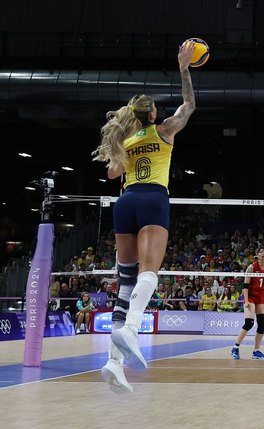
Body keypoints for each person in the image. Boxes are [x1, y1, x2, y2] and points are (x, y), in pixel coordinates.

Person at [92, 40, 196, 394]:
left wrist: (123, 145)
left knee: (124, 282)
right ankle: (132, 328)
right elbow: (189, 105)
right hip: (153, 198)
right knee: (148, 274)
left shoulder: (126, 139)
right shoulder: (164, 130)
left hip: (125, 201)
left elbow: (110, 173)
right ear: (152, 115)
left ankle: (113, 363)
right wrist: (183, 68)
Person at [230, 248, 264, 360]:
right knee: (249, 323)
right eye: (260, 252)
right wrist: (246, 300)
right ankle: (235, 347)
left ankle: (256, 351)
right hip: (250, 296)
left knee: (262, 324)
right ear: (257, 255)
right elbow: (245, 286)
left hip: (261, 297)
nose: (263, 254)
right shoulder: (251, 267)